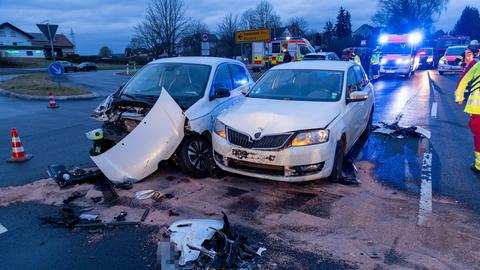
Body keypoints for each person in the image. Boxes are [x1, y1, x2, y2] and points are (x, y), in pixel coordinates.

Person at [455, 61, 480, 173]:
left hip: (477, 108)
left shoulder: (478, 64)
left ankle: (479, 165)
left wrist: (459, 97)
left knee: (479, 135)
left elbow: (464, 80)